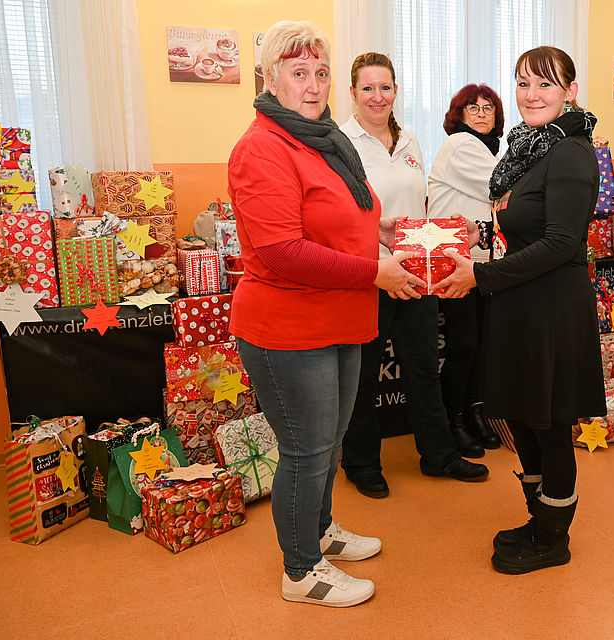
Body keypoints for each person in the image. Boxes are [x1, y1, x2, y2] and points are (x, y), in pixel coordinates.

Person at [228, 21, 425, 607]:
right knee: (306, 449)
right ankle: (301, 570)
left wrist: (383, 229)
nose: (313, 86)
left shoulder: (317, 139)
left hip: (336, 319)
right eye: (298, 73)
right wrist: (375, 271)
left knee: (330, 440)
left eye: (319, 73)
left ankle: (319, 530)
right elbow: (281, 251)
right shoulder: (261, 147)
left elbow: (337, 218)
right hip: (288, 328)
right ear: (269, 79)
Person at [436, 46, 605, 574]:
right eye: (523, 83)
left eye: (546, 84)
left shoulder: (572, 153)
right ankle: (538, 518)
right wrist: (475, 244)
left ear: (570, 91)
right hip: (519, 301)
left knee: (550, 425)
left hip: (550, 309)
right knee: (524, 419)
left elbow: (561, 243)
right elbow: (522, 229)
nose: (532, 95)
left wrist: (479, 274)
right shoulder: (527, 149)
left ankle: (554, 537)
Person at [340, 52, 489, 499]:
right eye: (368, 88)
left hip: (416, 272)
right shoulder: (340, 144)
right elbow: (342, 217)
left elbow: (418, 206)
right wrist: (374, 257)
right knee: (364, 375)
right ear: (352, 93)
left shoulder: (410, 142)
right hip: (371, 275)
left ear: (395, 92)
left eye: (385, 87)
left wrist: (449, 233)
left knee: (424, 368)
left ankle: (438, 455)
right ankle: (362, 462)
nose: (377, 96)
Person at [427, 83, 505, 455]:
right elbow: (502, 186)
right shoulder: (460, 145)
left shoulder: (486, 150)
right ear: (457, 115)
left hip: (479, 263)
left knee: (482, 345)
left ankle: (473, 414)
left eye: (488, 108)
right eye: (471, 108)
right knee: (465, 345)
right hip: (452, 263)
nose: (481, 114)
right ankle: (451, 420)